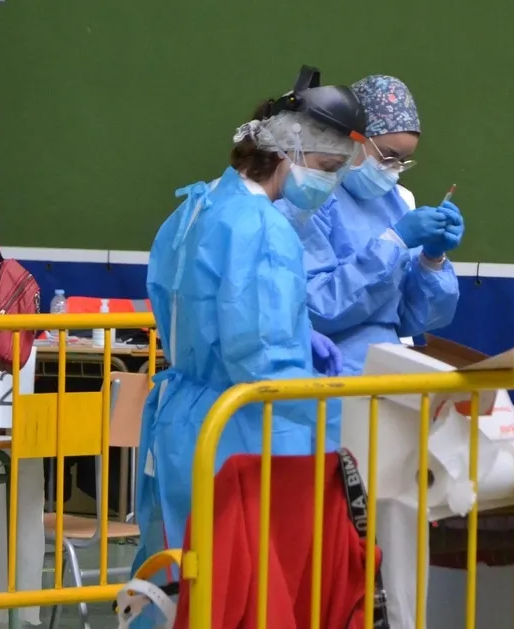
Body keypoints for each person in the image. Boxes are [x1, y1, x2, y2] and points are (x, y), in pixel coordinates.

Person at [132, 70, 365, 582]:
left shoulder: (198, 205)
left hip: (186, 425)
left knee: (183, 588)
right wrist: (342, 414)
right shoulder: (262, 227)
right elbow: (265, 365)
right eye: (326, 168)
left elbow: (199, 309)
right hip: (241, 437)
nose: (329, 184)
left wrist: (297, 333)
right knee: (247, 594)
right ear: (288, 152)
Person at [280, 74, 463, 376]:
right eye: (389, 156)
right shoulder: (309, 194)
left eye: (404, 160)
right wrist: (394, 242)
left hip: (388, 371)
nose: (394, 170)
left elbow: (412, 318)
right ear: (352, 138)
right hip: (328, 374)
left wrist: (432, 259)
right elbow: (316, 308)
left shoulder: (396, 202)